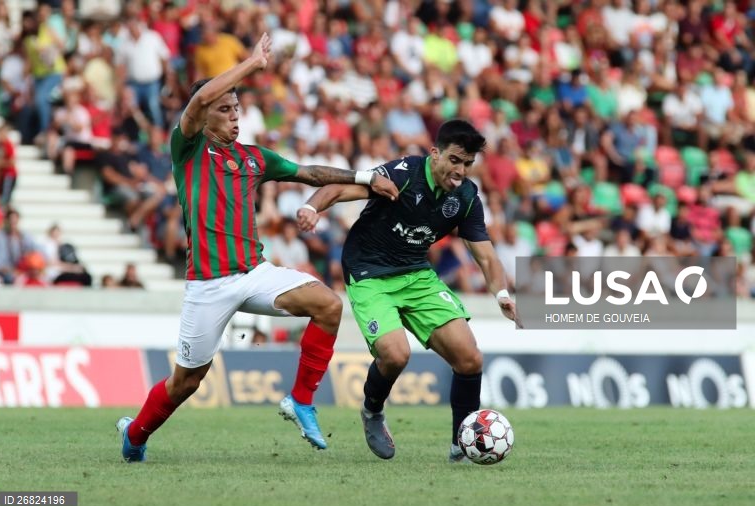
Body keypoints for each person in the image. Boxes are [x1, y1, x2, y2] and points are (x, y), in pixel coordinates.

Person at [116, 33, 398, 463]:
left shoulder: (253, 158)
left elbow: (309, 173)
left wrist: (363, 177)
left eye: (237, 109)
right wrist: (251, 64)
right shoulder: (187, 149)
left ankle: (301, 400)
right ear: (204, 116)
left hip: (254, 273)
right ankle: (135, 435)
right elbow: (197, 101)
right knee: (186, 382)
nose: (234, 117)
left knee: (328, 305)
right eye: (224, 110)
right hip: (208, 285)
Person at [297, 119, 520, 463]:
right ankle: (372, 411)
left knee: (470, 358)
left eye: (468, 164)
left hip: (416, 273)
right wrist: (312, 207)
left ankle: (463, 440)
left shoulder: (465, 196)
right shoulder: (403, 174)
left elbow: (486, 255)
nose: (460, 171)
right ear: (435, 154)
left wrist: (502, 294)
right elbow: (344, 187)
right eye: (455, 160)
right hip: (369, 271)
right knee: (396, 354)